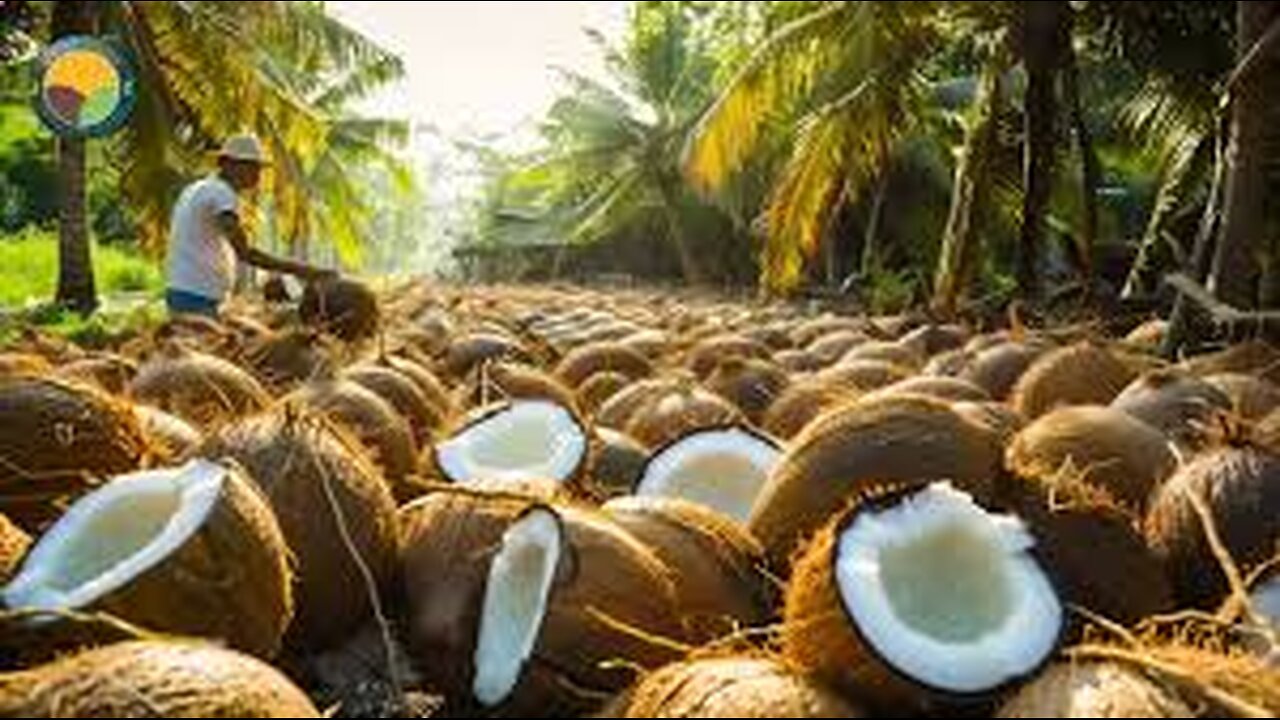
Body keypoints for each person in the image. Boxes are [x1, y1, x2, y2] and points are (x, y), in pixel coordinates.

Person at [165, 133, 333, 317]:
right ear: (228, 164)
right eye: (251, 167)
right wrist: (303, 270)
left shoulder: (197, 188)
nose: (257, 175)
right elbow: (245, 253)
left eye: (258, 168)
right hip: (197, 296)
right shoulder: (222, 194)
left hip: (182, 290)